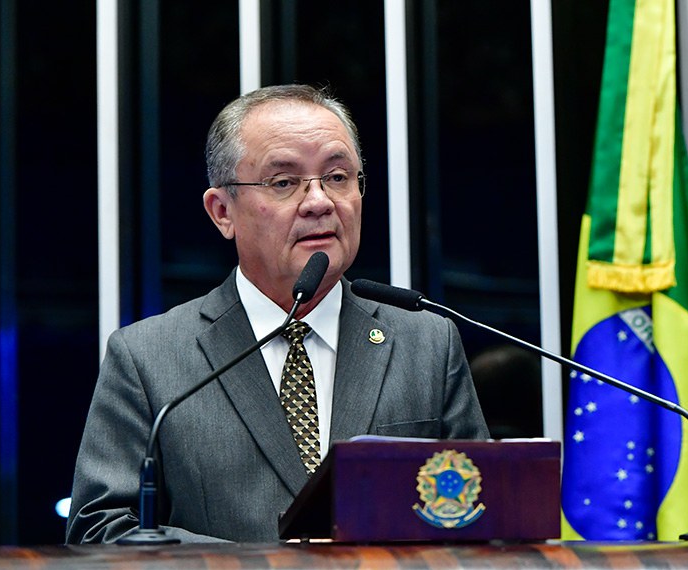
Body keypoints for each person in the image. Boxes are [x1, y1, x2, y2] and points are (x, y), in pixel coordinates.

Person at [66, 84, 489, 544]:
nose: (320, 201)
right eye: (284, 182)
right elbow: (100, 530)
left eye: (338, 177)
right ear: (222, 211)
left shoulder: (427, 344)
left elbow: (483, 517)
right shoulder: (148, 359)